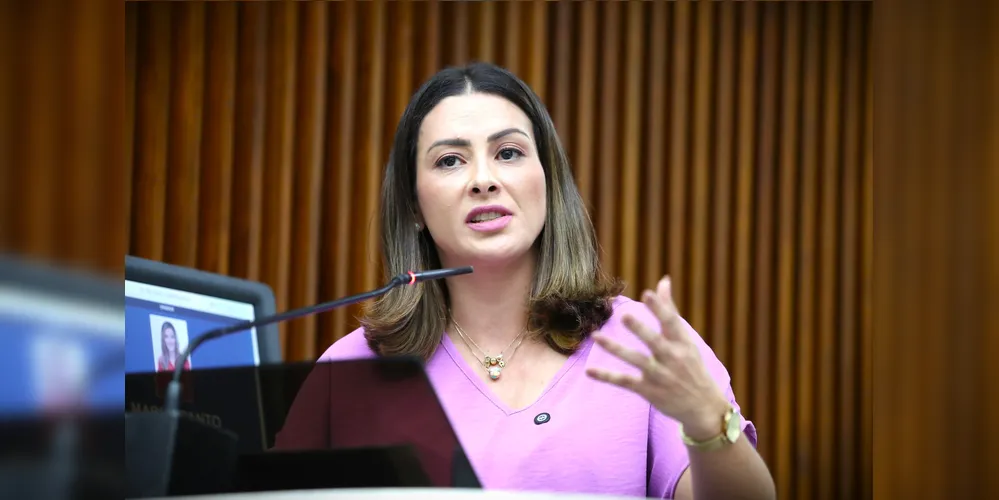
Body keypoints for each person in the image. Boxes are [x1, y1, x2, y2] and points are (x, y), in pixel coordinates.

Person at [304, 62, 775, 499]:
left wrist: (708, 425)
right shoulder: (347, 371)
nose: (483, 180)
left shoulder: (642, 344)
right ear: (412, 207)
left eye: (508, 153)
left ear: (547, 181)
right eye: (450, 160)